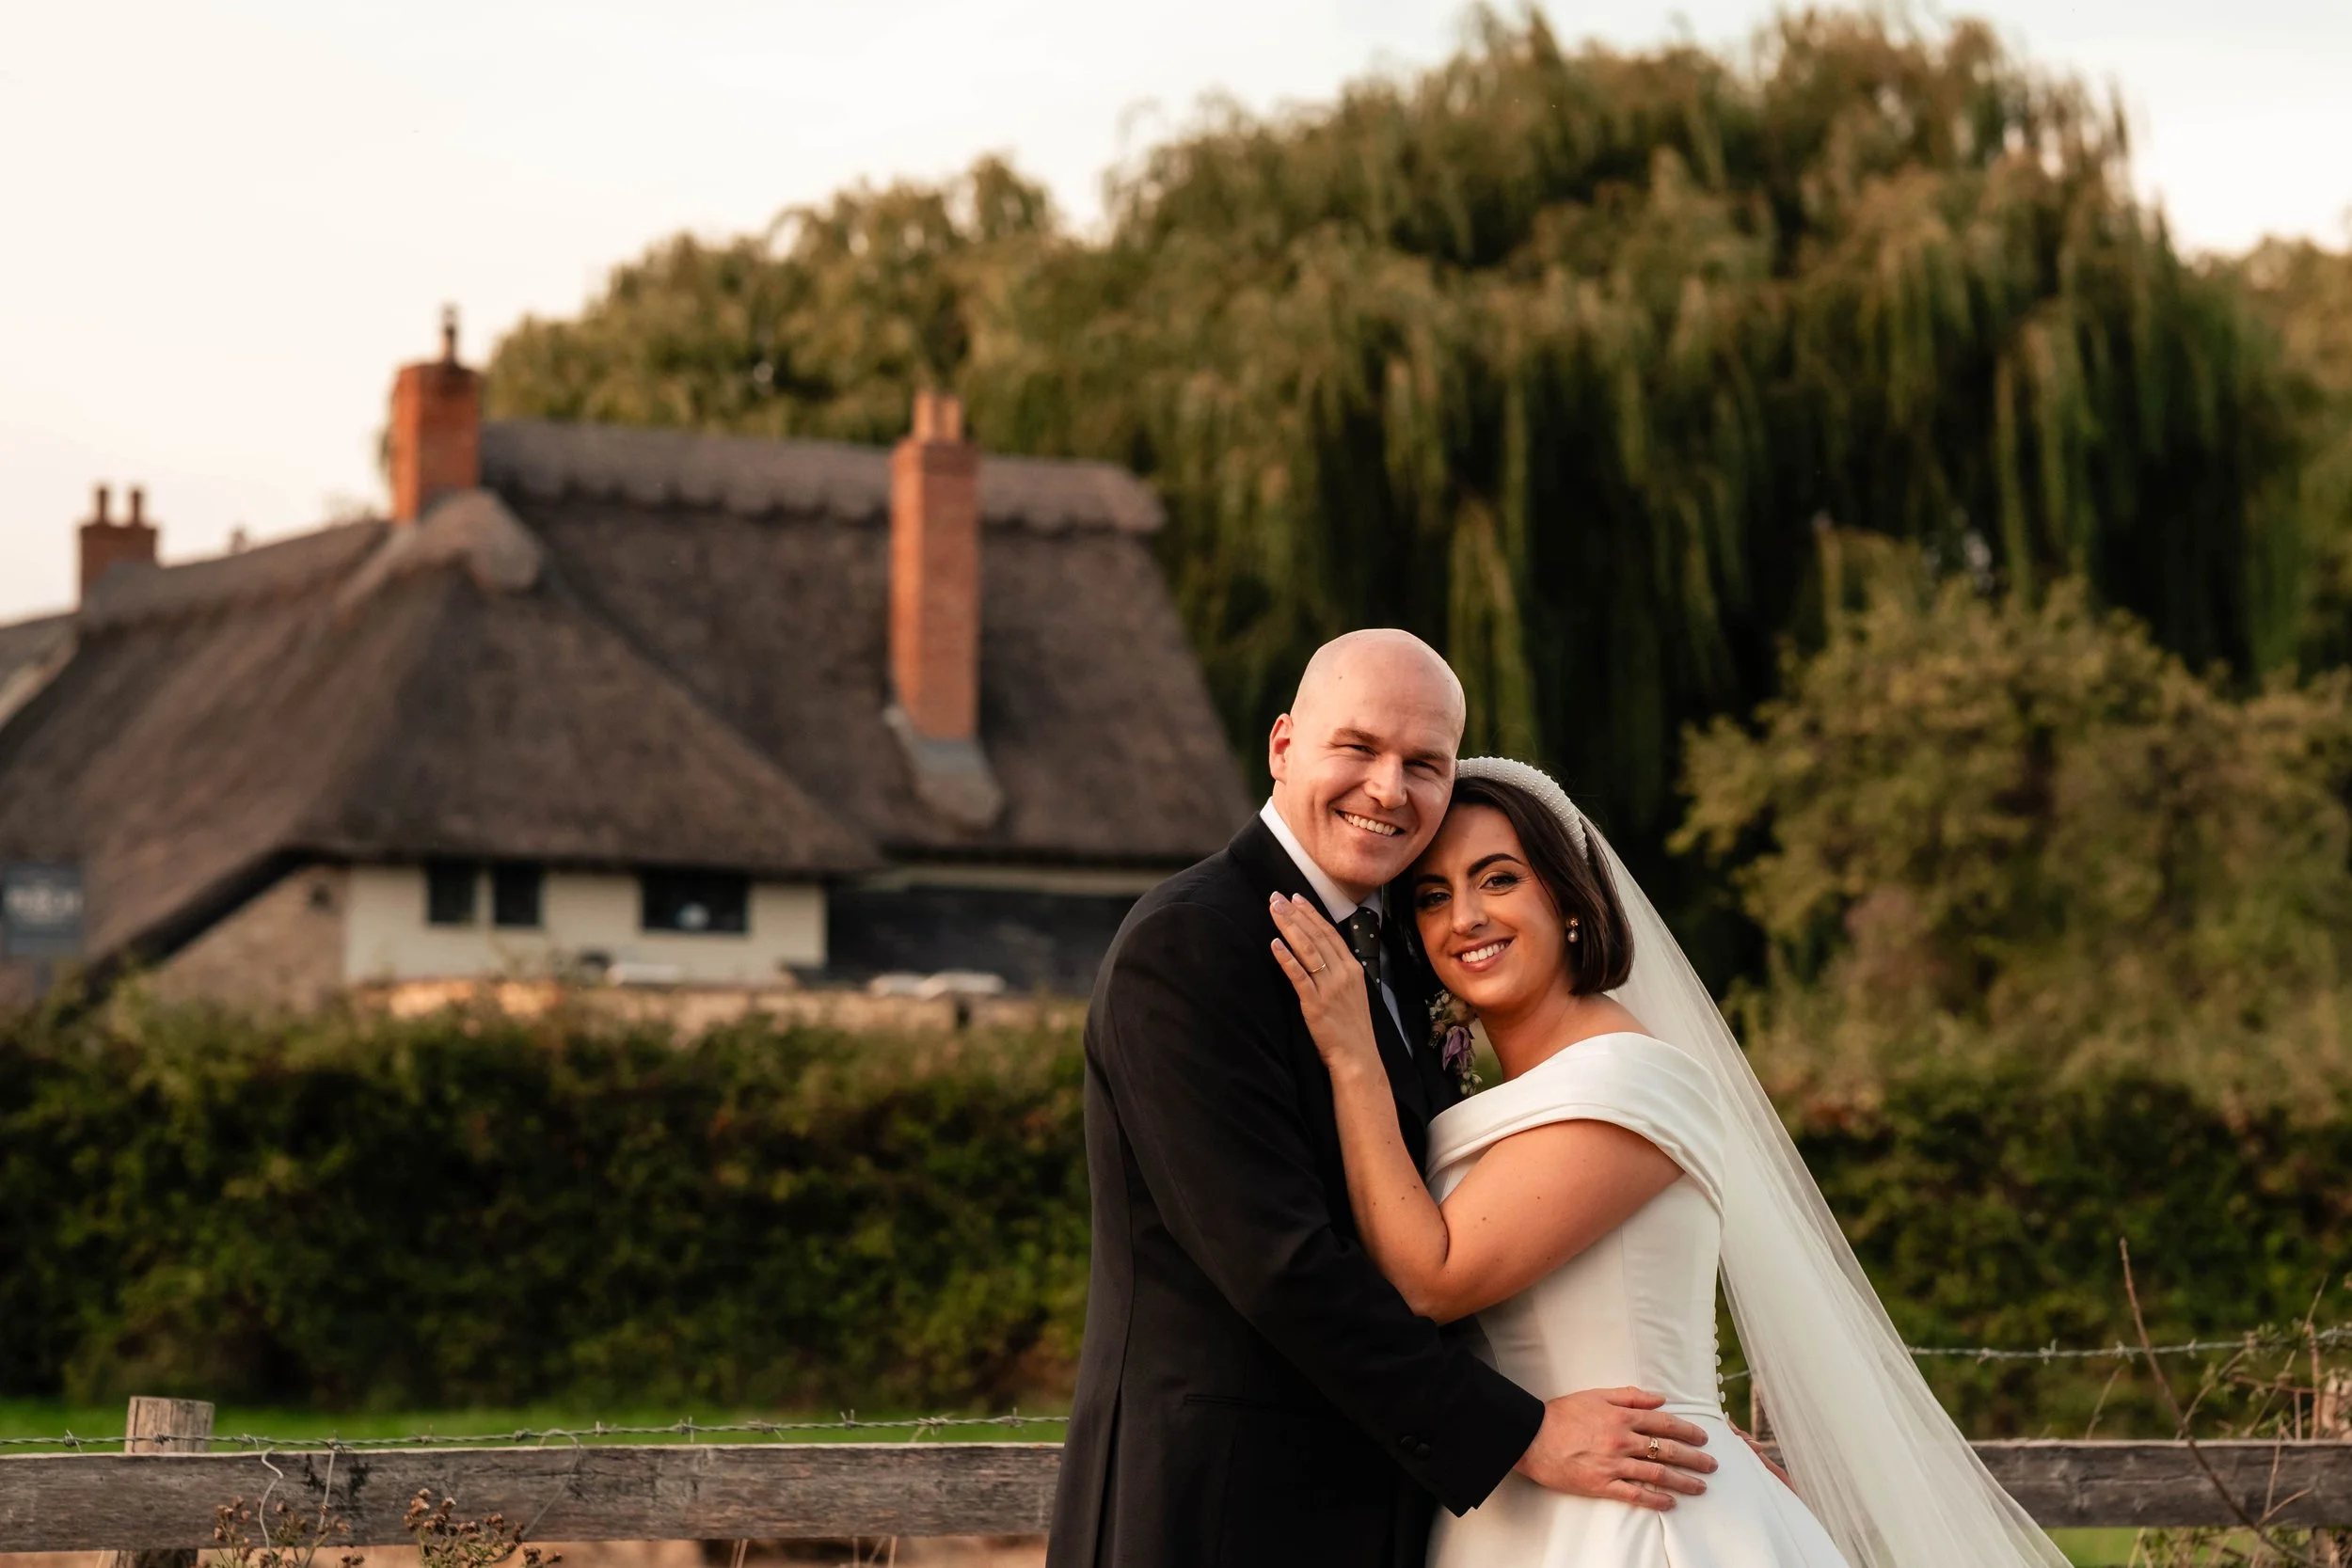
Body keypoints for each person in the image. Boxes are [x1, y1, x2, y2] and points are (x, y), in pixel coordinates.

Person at [1269, 756, 2074, 1568]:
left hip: (1643, 1518)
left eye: (1499, 879)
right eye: (1433, 896)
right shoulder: (1499, 1088)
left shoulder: (1630, 1078)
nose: (1464, 918)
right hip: (1513, 1504)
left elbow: (1428, 1279)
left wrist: (1353, 1057)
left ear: (1569, 899)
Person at [1046, 633, 1718, 1568]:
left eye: (1423, 763)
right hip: (1223, 1510)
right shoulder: (1192, 945)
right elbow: (1280, 1264)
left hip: (1392, 1513)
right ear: (1283, 745)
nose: (1388, 788)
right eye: (1356, 747)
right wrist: (1518, 1431)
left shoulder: (1407, 948)